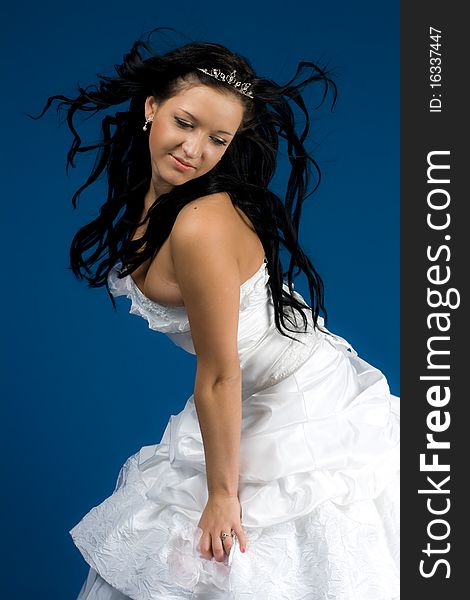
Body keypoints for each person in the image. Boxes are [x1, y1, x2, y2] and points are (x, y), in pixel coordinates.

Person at [35, 27, 400, 600]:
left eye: (217, 139)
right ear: (150, 108)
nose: (195, 150)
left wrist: (223, 494)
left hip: (297, 399)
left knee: (256, 559)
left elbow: (221, 372)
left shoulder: (200, 222)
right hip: (243, 393)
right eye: (186, 123)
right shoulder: (154, 207)